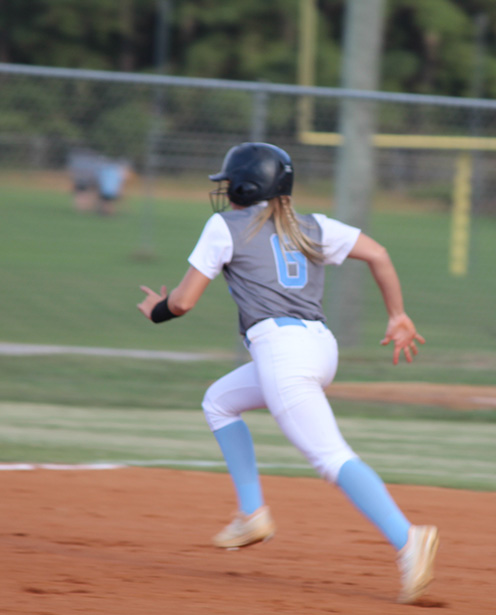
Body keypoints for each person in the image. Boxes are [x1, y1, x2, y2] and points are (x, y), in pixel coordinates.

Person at [136, 142, 438, 604]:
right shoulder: (312, 225)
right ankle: (252, 512)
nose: (225, 191)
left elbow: (182, 301)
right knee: (219, 401)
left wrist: (156, 310)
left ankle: (407, 538)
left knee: (331, 458)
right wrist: (397, 314)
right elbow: (378, 253)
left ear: (243, 187)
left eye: (230, 183)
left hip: (281, 351)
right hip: (319, 347)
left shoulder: (225, 225)